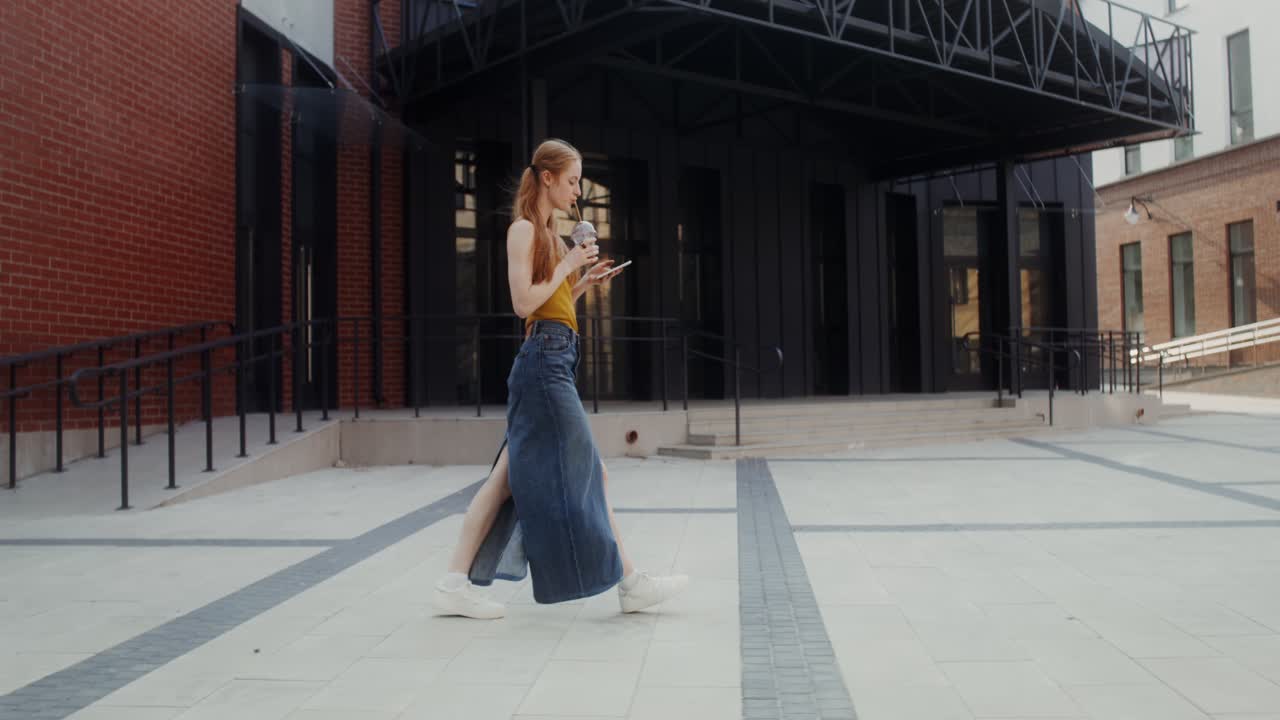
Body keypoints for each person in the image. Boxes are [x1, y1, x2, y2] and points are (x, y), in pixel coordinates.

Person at [433, 139, 688, 619]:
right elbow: (524, 304)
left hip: (555, 358)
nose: (577, 190)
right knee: (595, 471)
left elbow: (552, 303)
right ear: (547, 178)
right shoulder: (524, 231)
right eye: (572, 180)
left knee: (504, 481)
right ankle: (631, 583)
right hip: (543, 364)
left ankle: (452, 583)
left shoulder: (549, 236)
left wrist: (583, 284)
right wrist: (570, 265)